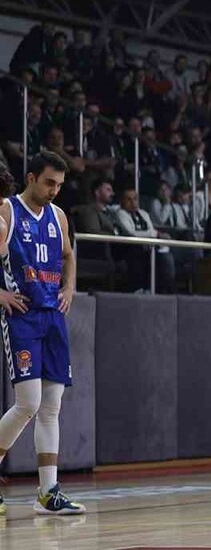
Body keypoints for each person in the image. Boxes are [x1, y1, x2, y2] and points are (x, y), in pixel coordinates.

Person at [0, 151, 85, 515]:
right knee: (29, 404)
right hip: (22, 314)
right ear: (31, 177)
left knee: (51, 407)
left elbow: (68, 254)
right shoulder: (7, 210)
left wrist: (69, 287)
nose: (55, 191)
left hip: (53, 316)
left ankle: (48, 493)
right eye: (49, 183)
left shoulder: (59, 216)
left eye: (60, 185)